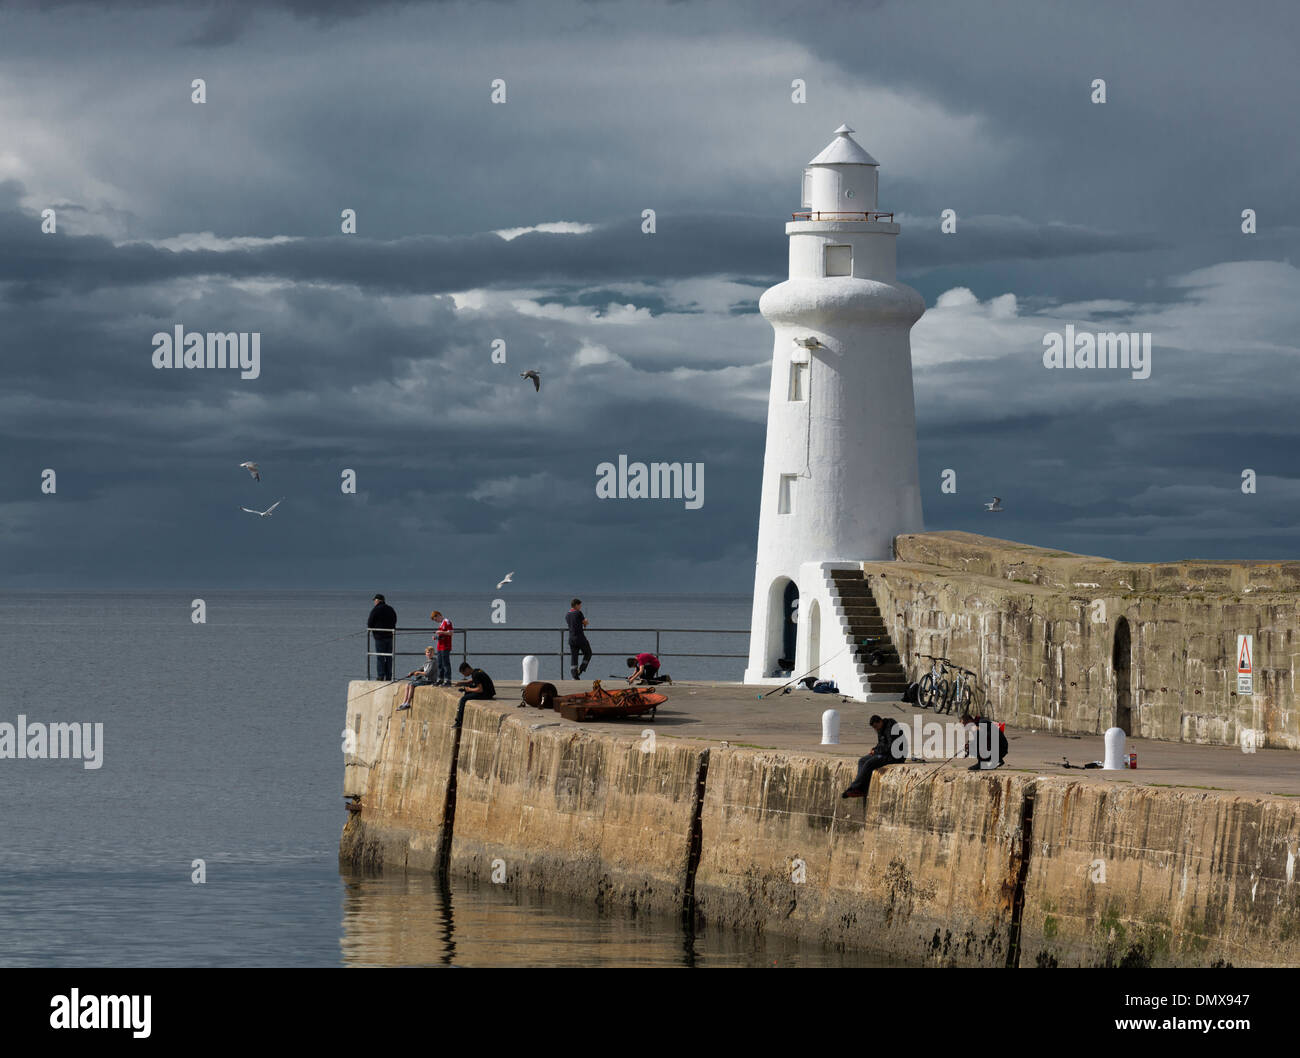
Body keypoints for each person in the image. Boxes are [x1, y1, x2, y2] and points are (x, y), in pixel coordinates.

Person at [841, 714, 906, 799]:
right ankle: (861, 789)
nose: (876, 729)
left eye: (876, 726)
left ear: (880, 722)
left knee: (869, 763)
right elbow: (881, 744)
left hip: (895, 756)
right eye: (874, 728)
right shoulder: (880, 729)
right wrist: (874, 749)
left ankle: (854, 787)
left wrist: (876, 751)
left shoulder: (891, 728)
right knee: (862, 761)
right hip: (884, 753)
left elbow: (891, 747)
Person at [368, 593, 397, 681]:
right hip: (390, 636)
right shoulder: (390, 609)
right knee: (389, 656)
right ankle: (389, 676)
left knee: (380, 656)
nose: (374, 602)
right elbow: (395, 620)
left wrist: (371, 630)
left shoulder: (376, 609)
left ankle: (381, 676)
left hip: (379, 637)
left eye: (375, 600)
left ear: (377, 600)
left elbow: (370, 622)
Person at [566, 599, 592, 679]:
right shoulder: (578, 613)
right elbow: (585, 623)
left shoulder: (567, 615)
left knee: (574, 657)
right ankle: (581, 669)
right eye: (580, 605)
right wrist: (586, 622)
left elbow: (573, 624)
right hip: (580, 638)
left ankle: (575, 675)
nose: (580, 607)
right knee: (588, 653)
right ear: (576, 605)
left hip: (571, 639)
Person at [430, 610, 454, 686]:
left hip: (446, 646)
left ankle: (448, 680)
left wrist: (441, 632)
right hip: (440, 646)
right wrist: (436, 637)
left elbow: (451, 633)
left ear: (438, 615)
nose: (436, 621)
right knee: (440, 663)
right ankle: (440, 679)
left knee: (446, 663)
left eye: (436, 619)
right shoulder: (441, 624)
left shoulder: (447, 622)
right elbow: (442, 636)